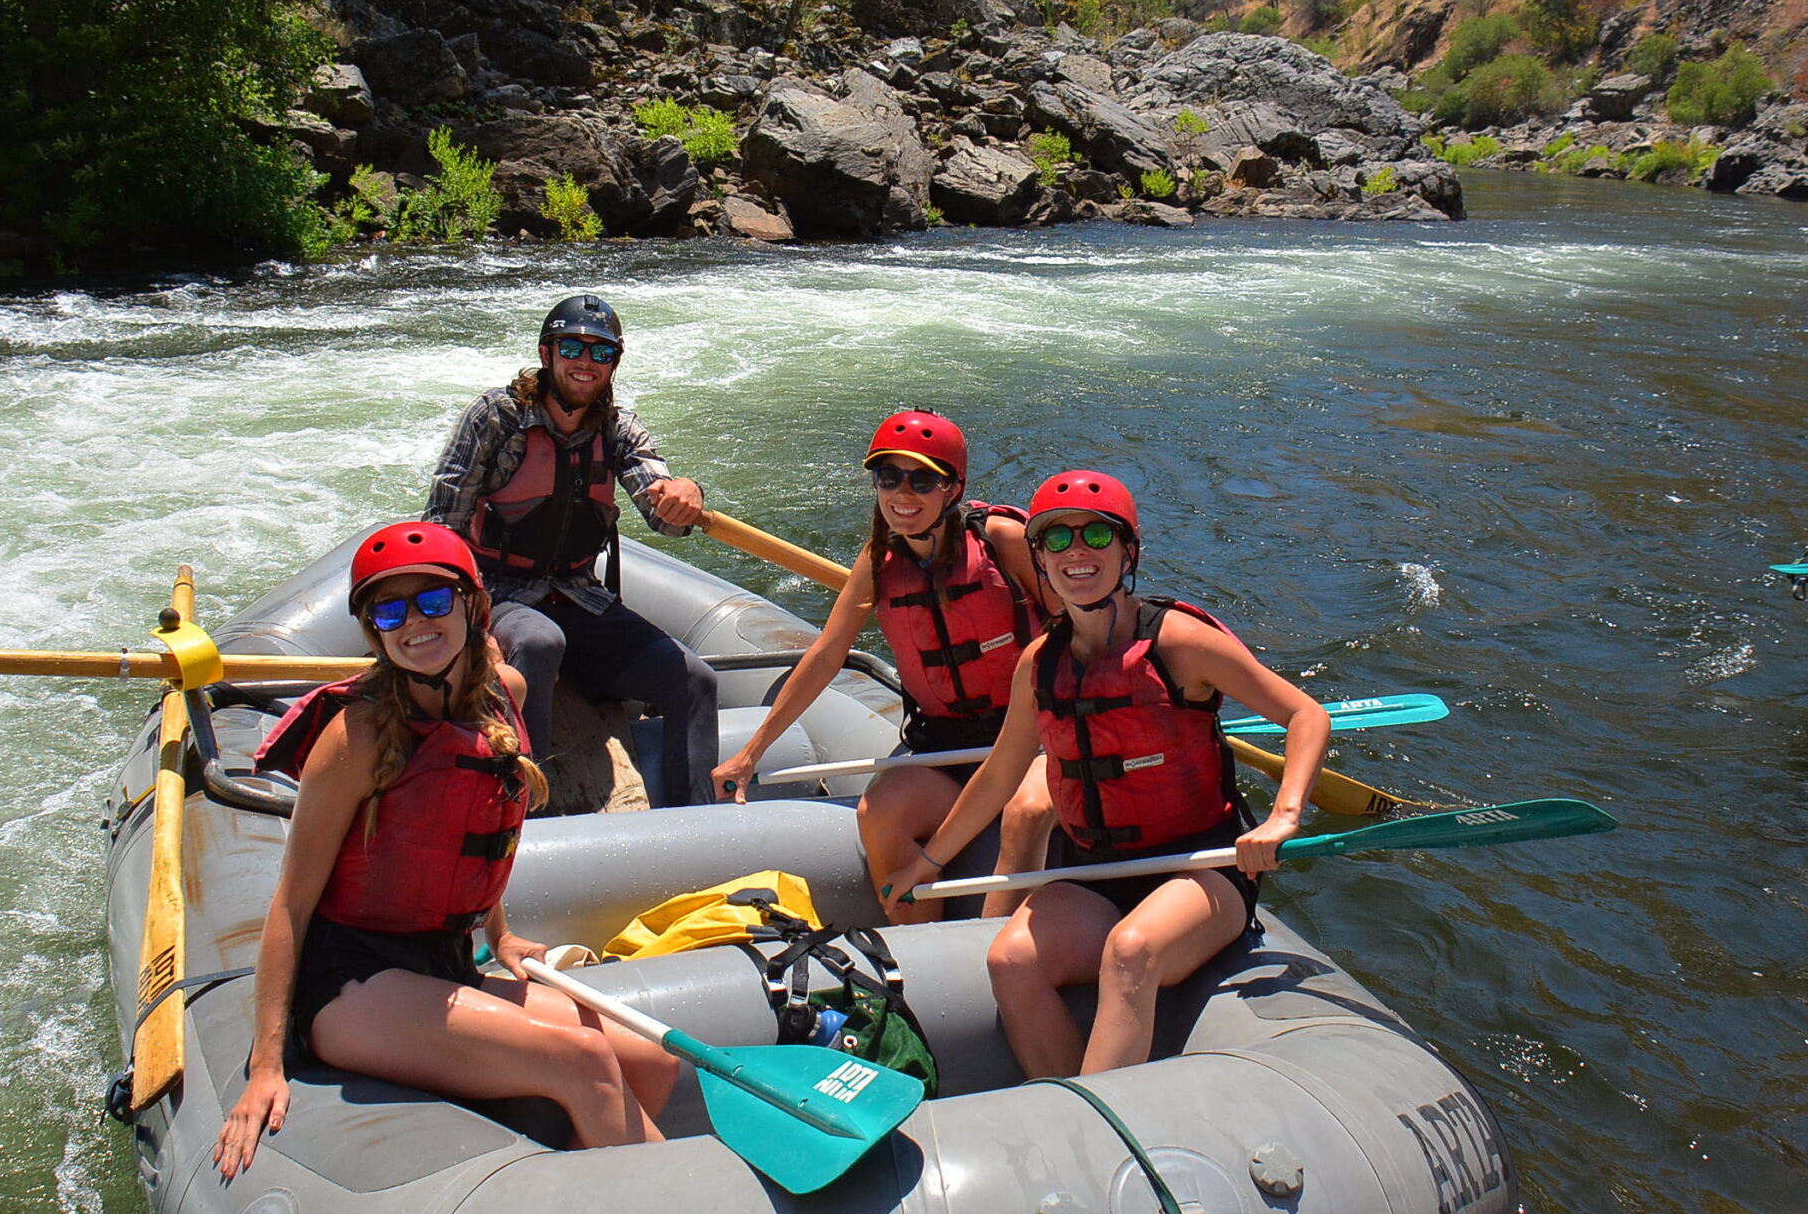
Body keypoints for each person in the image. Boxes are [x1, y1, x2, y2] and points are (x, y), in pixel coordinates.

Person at [216, 522, 676, 1176]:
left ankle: (588, 1199)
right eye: (390, 609)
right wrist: (265, 1065)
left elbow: (473, 834)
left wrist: (503, 934)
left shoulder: (504, 696)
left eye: (433, 601)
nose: (414, 623)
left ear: (470, 607)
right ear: (372, 628)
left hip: (446, 962)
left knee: (655, 1060)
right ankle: (656, 1212)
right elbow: (290, 904)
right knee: (587, 1059)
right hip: (353, 982)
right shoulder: (359, 736)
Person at [881, 472, 1331, 1078]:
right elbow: (998, 777)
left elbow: (1304, 715)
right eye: (1056, 541)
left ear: (1128, 551)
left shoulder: (1180, 644)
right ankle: (1071, 1103)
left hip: (1203, 867)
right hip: (1097, 868)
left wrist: (1283, 817)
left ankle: (1097, 1132)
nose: (1077, 553)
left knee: (1131, 951)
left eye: (1096, 534)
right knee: (1012, 961)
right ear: (1037, 558)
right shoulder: (1040, 664)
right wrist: (926, 865)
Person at [709, 411, 1057, 922]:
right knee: (879, 812)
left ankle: (990, 955)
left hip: (1033, 737)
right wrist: (751, 752)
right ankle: (918, 959)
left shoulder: (1003, 541)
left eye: (922, 480)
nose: (903, 493)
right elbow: (827, 655)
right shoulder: (880, 561)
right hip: (944, 745)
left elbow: (1076, 628)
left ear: (953, 488)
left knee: (1027, 813)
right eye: (888, 477)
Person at [423, 295, 721, 807]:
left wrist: (685, 490)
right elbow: (440, 525)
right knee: (540, 643)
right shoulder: (497, 418)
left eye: (601, 352)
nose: (585, 362)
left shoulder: (616, 427)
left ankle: (695, 823)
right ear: (547, 352)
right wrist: (470, 626)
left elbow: (661, 509)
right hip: (497, 592)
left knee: (694, 679)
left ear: (614, 364)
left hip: (579, 596)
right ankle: (521, 812)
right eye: (572, 347)